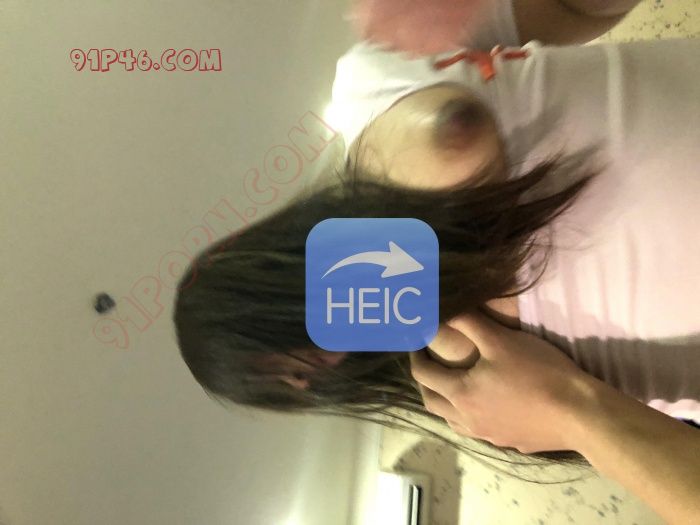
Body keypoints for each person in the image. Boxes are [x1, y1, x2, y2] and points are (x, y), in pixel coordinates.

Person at [172, 0, 700, 522]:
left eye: (281, 338)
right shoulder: (480, 398)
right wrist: (573, 412)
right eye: (295, 380)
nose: (313, 367)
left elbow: (575, 13)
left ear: (268, 262)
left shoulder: (370, 91)